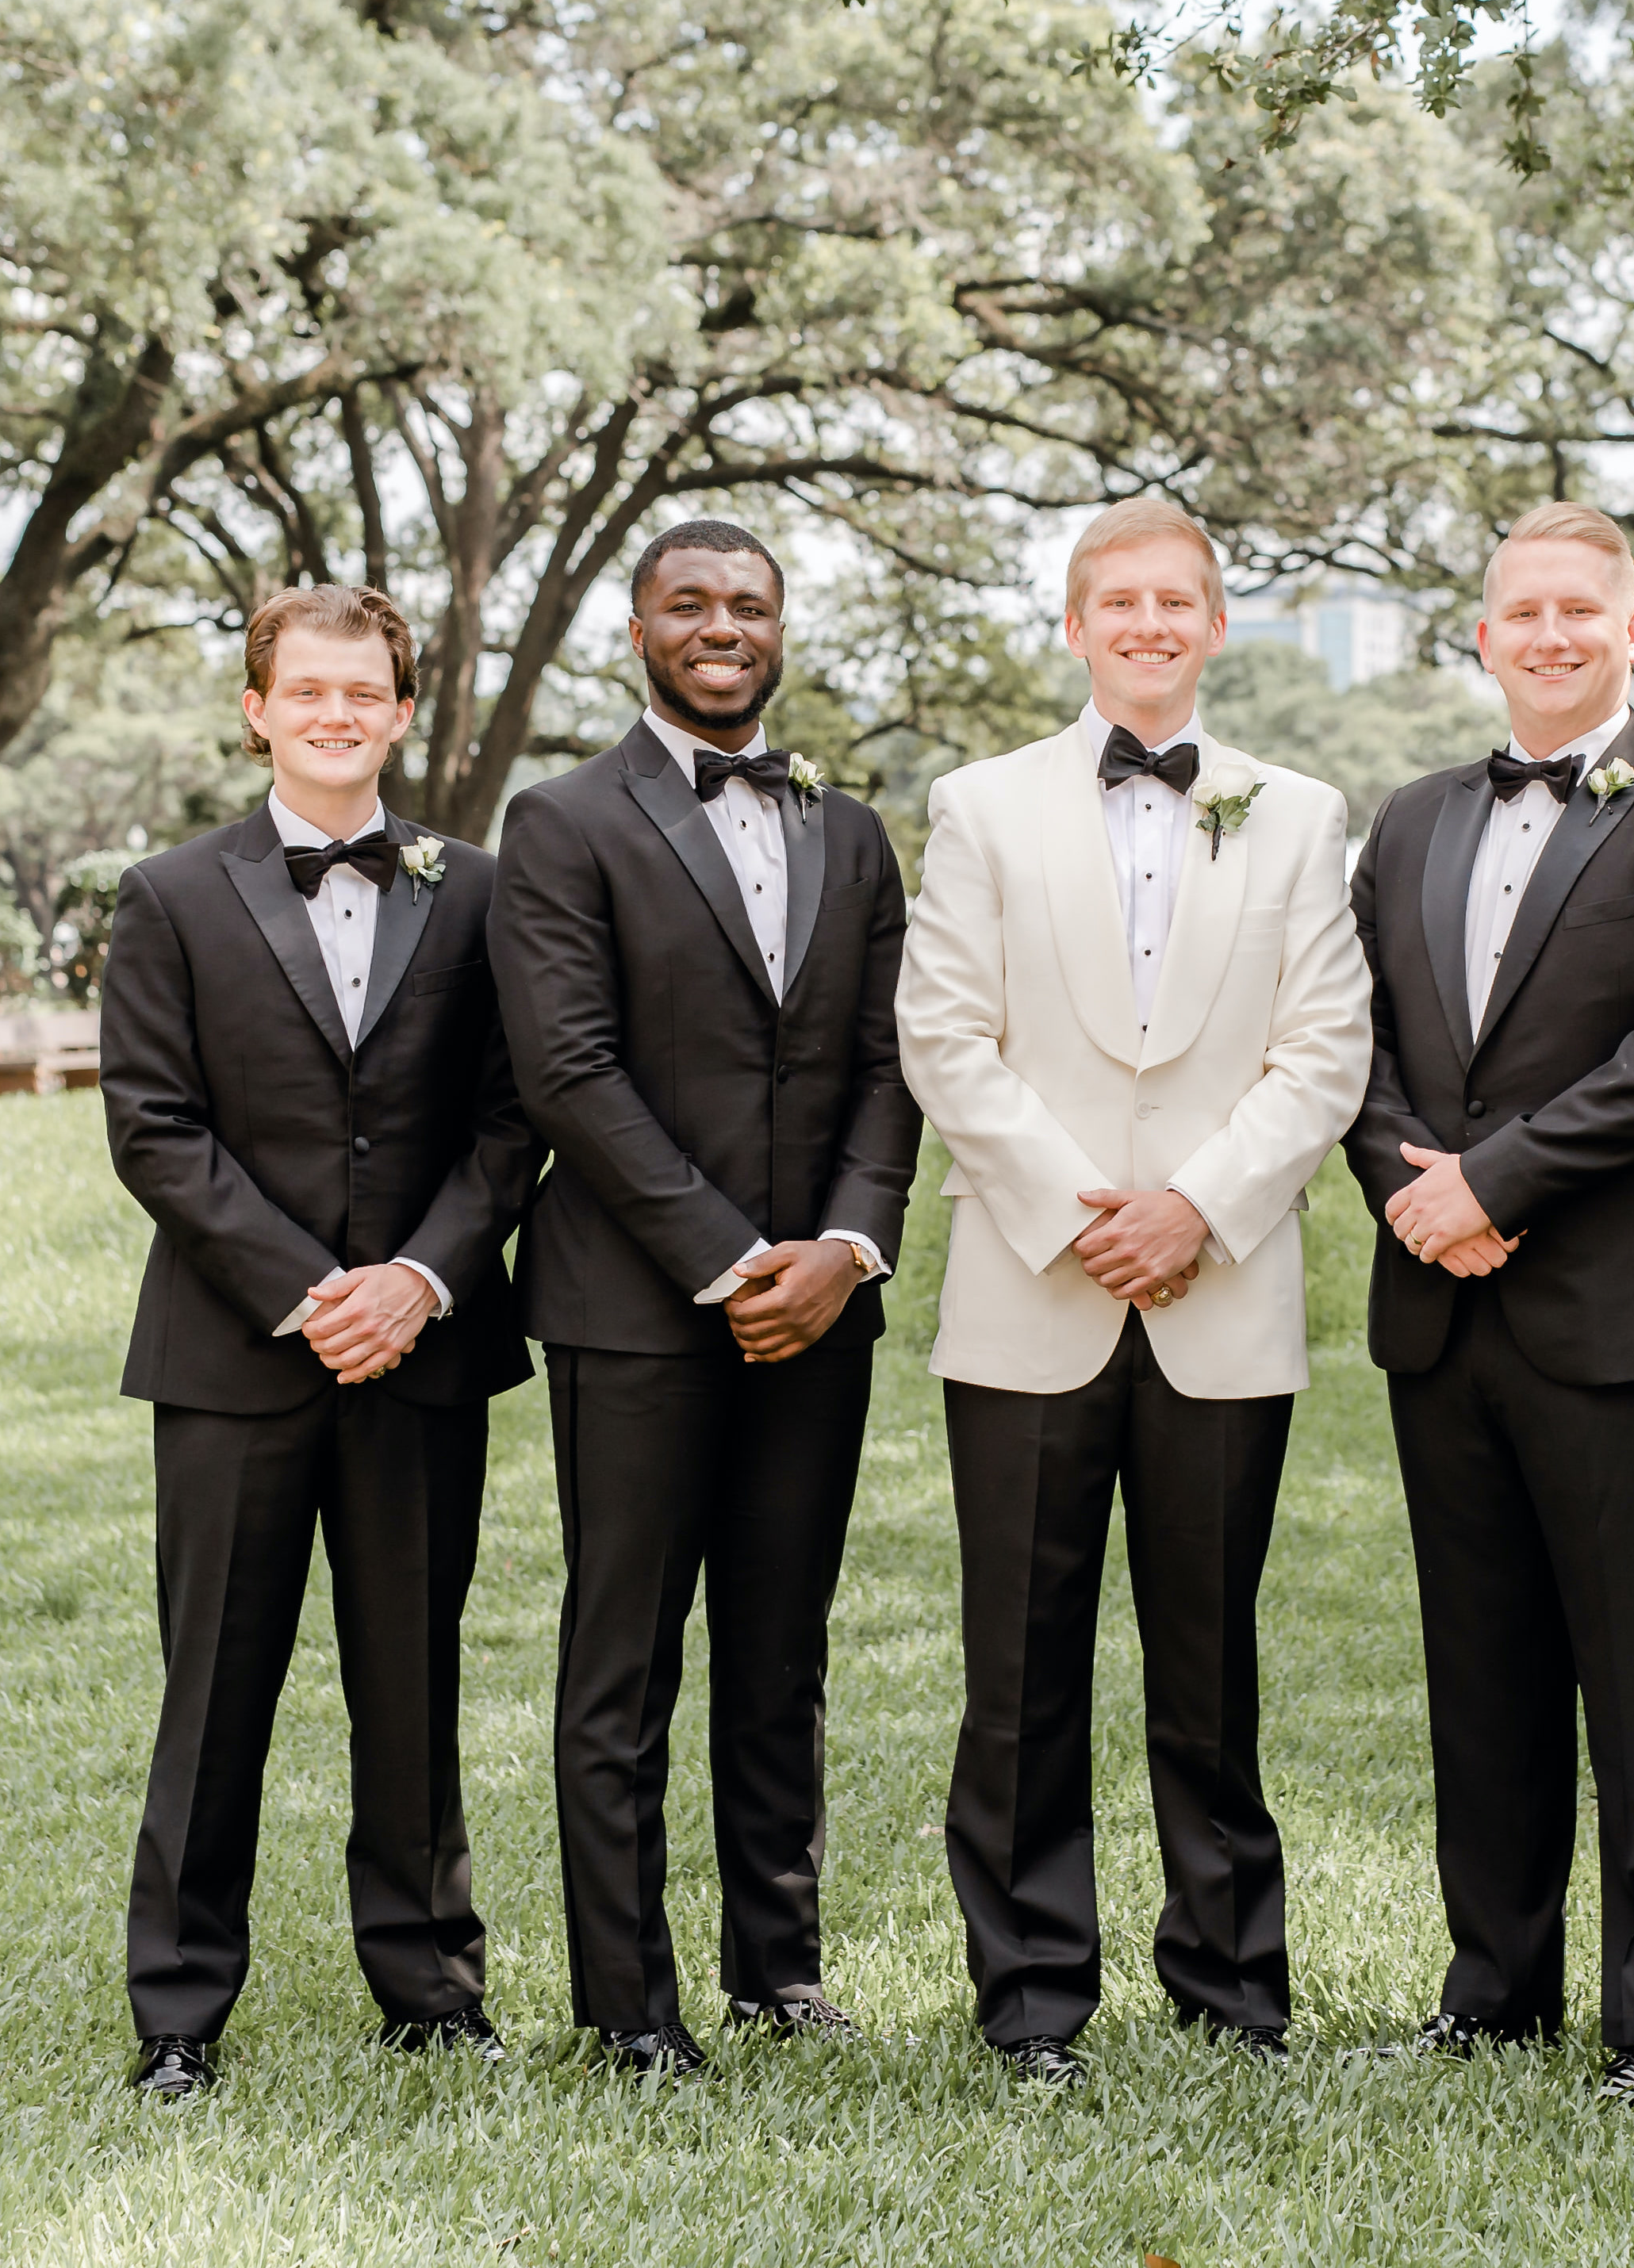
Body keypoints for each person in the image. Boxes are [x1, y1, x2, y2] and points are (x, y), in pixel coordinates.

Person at [896, 498, 1371, 2089]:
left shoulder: (1297, 812)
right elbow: (944, 1034)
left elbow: (1326, 1050)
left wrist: (1200, 1208)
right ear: (1078, 622)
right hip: (1032, 1291)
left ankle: (1231, 1984)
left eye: (1181, 600)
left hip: (1218, 1290)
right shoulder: (980, 805)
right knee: (1019, 1668)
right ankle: (1033, 1996)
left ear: (1216, 625)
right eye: (1123, 601)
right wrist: (1076, 1209)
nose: (1152, 623)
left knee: (1209, 1664)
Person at [1343, 500, 1634, 2102]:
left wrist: (1494, 1182)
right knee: (1483, 1667)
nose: (1545, 636)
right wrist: (1412, 1196)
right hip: (1442, 1311)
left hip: (1632, 1318)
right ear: (1482, 635)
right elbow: (1358, 1040)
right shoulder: (1404, 822)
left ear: (1631, 629)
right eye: (1517, 613)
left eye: (1574, 613)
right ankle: (1494, 1984)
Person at [489, 519, 922, 2076]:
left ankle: (777, 1970)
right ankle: (627, 2003)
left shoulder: (851, 830)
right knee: (625, 1657)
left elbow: (890, 1060)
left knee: (779, 1640)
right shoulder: (560, 822)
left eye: (749, 603)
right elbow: (566, 1069)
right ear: (639, 629)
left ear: (781, 628)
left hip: (822, 1308)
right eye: (693, 603)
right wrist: (731, 1258)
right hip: (634, 1304)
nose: (723, 625)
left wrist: (847, 1246)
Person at [100, 584, 539, 2098]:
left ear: (404, 710)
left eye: (367, 692)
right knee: (214, 1685)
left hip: (426, 1347)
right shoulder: (169, 894)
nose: (338, 714)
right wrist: (310, 1290)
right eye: (310, 692)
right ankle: (177, 2015)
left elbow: (512, 1116)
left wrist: (416, 1279)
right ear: (259, 708)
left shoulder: (479, 890)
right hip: (232, 1358)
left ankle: (429, 1985)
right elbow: (154, 1129)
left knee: (411, 1677)